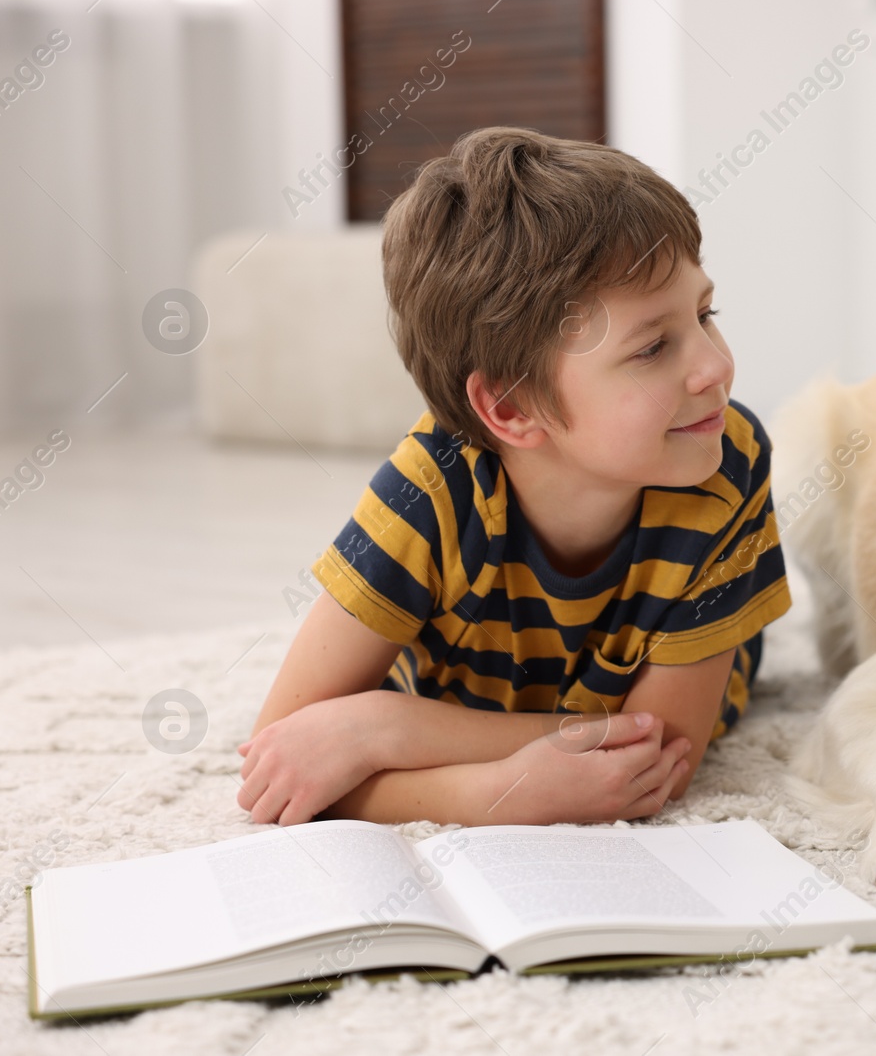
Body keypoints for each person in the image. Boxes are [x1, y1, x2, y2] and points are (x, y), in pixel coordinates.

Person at [233, 126, 792, 828]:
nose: (716, 367)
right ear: (509, 407)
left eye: (706, 314)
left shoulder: (722, 457)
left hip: (678, 658)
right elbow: (281, 762)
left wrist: (389, 729)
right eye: (652, 347)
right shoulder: (427, 493)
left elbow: (663, 753)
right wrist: (495, 793)